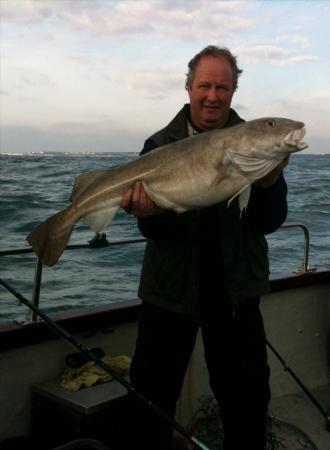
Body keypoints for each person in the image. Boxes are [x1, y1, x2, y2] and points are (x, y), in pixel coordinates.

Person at [121, 46, 289, 450]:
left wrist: (267, 184)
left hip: (234, 296)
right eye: (205, 85)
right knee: (151, 398)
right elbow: (153, 234)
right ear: (189, 87)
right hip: (169, 292)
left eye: (223, 87)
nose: (213, 95)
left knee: (247, 402)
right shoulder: (159, 144)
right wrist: (150, 213)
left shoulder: (255, 139)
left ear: (233, 92)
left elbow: (269, 222)